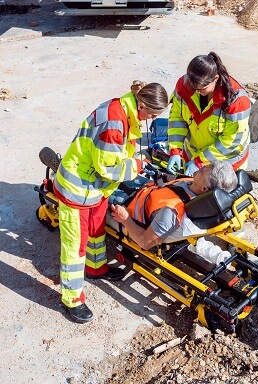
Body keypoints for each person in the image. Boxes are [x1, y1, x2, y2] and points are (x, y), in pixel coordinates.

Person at [54, 81, 169, 323]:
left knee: (96, 231)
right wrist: (137, 167)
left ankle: (96, 269)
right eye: (153, 114)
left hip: (95, 189)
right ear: (142, 105)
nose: (152, 119)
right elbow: (107, 168)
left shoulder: (125, 112)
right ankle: (72, 299)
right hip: (78, 189)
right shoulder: (114, 123)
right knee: (75, 247)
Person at [109, 161, 238, 249]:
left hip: (127, 208)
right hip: (143, 189)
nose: (201, 166)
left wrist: (125, 218)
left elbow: (145, 242)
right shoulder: (192, 183)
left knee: (94, 192)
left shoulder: (171, 212)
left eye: (203, 170)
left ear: (204, 189)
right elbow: (170, 182)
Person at [166, 52, 251, 176]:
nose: (198, 92)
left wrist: (200, 161)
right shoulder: (184, 86)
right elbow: (177, 118)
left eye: (202, 89)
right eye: (194, 88)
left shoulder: (237, 101)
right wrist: (175, 150)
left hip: (225, 163)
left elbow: (230, 141)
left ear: (215, 79)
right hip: (193, 157)